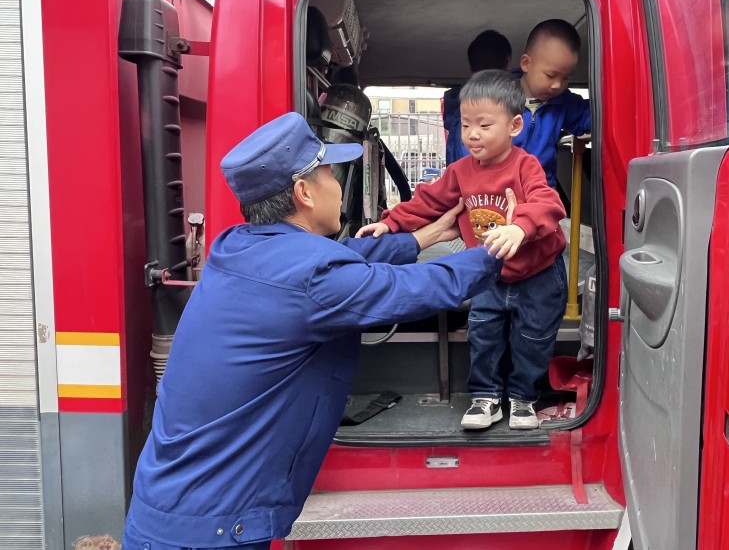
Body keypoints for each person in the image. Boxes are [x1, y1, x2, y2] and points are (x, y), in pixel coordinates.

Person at [121, 113, 504, 549]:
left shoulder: (239, 245)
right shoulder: (309, 278)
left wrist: (425, 235)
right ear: (304, 192)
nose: (339, 186)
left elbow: (342, 255)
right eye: (331, 174)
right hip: (207, 533)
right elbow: (421, 288)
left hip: (173, 512)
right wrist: (501, 243)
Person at [357, 70, 567, 431]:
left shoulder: (525, 165)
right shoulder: (460, 172)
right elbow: (427, 202)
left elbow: (549, 202)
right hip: (488, 272)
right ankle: (485, 397)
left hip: (538, 273)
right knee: (483, 334)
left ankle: (521, 398)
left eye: (485, 125)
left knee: (532, 338)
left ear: (514, 126)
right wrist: (391, 223)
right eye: (466, 125)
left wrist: (521, 225)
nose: (472, 134)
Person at [514, 19, 591, 188]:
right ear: (526, 64)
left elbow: (596, 116)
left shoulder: (562, 103)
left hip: (541, 190)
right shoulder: (497, 99)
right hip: (499, 192)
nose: (557, 85)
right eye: (550, 75)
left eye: (565, 78)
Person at [443, 30, 513, 165]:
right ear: (508, 63)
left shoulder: (457, 110)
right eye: (466, 125)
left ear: (471, 69)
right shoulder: (510, 104)